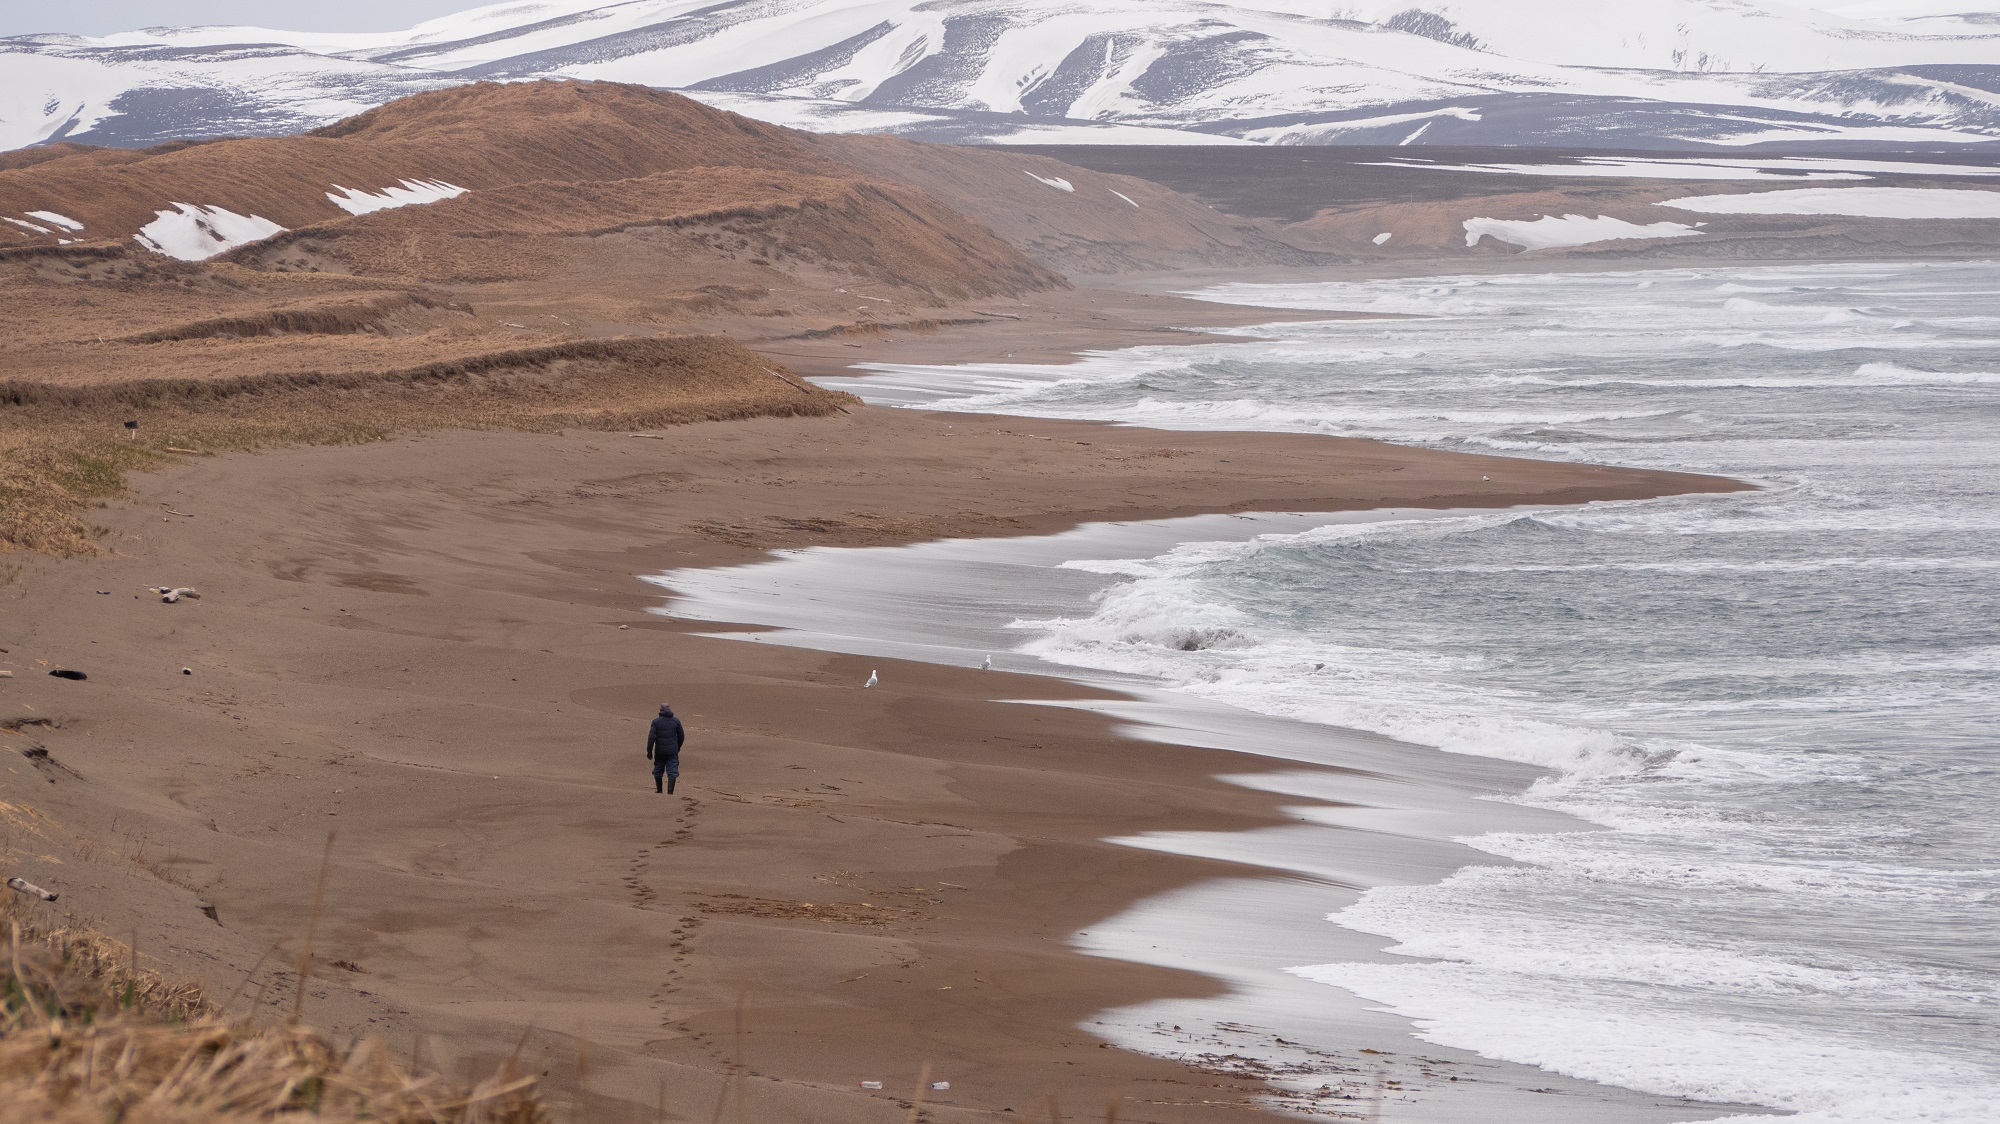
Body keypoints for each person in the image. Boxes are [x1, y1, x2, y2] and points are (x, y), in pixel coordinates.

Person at [646, 704, 685, 794]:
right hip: (672, 751)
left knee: (658, 770)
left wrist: (649, 752)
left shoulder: (656, 722)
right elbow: (681, 736)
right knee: (672, 770)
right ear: (669, 709)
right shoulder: (676, 721)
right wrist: (677, 746)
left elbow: (651, 738)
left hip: (660, 751)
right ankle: (670, 792)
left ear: (660, 710)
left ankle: (659, 790)